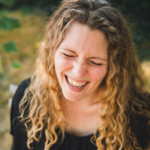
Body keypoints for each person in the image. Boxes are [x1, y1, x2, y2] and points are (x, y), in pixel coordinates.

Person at [10, 0, 150, 150]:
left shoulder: (139, 114)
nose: (77, 72)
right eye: (69, 54)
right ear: (52, 51)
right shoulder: (27, 99)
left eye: (95, 62)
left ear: (114, 67)